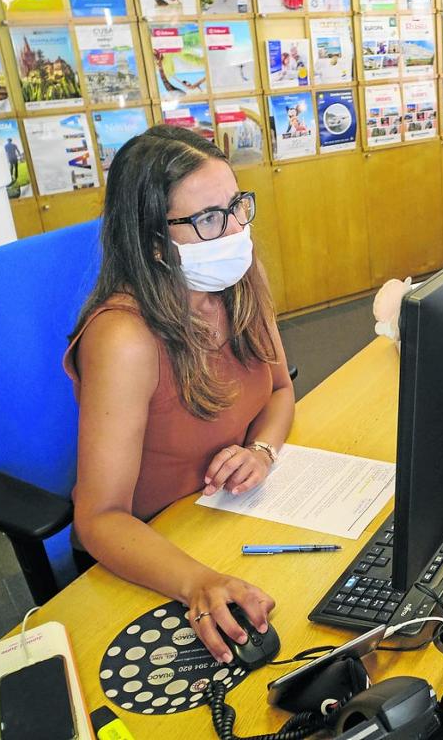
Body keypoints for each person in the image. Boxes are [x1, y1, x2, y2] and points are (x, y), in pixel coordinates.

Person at [65, 125, 296, 664]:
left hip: (231, 517)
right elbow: (98, 516)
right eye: (209, 219)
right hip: (160, 547)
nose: (237, 230)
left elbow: (281, 390)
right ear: (152, 243)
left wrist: (260, 452)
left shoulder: (238, 278)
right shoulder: (123, 338)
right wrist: (198, 583)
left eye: (238, 206)